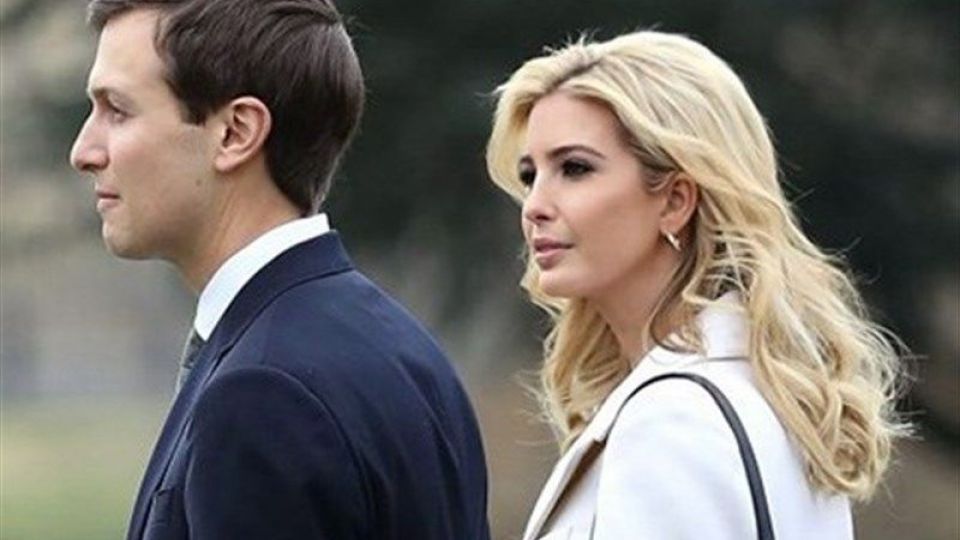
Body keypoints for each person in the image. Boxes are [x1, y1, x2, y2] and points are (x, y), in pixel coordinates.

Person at [69, 1, 490, 539]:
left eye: (118, 110)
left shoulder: (261, 392)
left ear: (235, 133)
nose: (84, 151)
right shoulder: (408, 351)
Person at [486, 31, 908, 540]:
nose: (534, 205)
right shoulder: (773, 394)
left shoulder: (672, 420)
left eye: (574, 168)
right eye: (529, 175)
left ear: (675, 200)